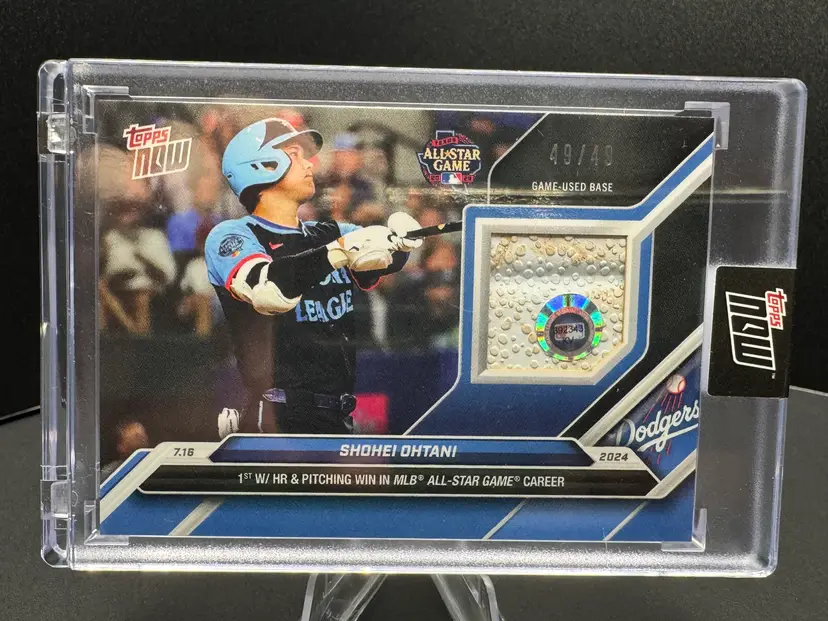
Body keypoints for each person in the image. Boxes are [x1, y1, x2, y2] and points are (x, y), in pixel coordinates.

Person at [205, 118, 422, 437]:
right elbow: (267, 292)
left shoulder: (332, 231)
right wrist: (338, 252)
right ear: (263, 166)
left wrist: (400, 240)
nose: (310, 164)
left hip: (338, 414)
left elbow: (381, 258)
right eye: (295, 155)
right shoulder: (233, 235)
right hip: (274, 415)